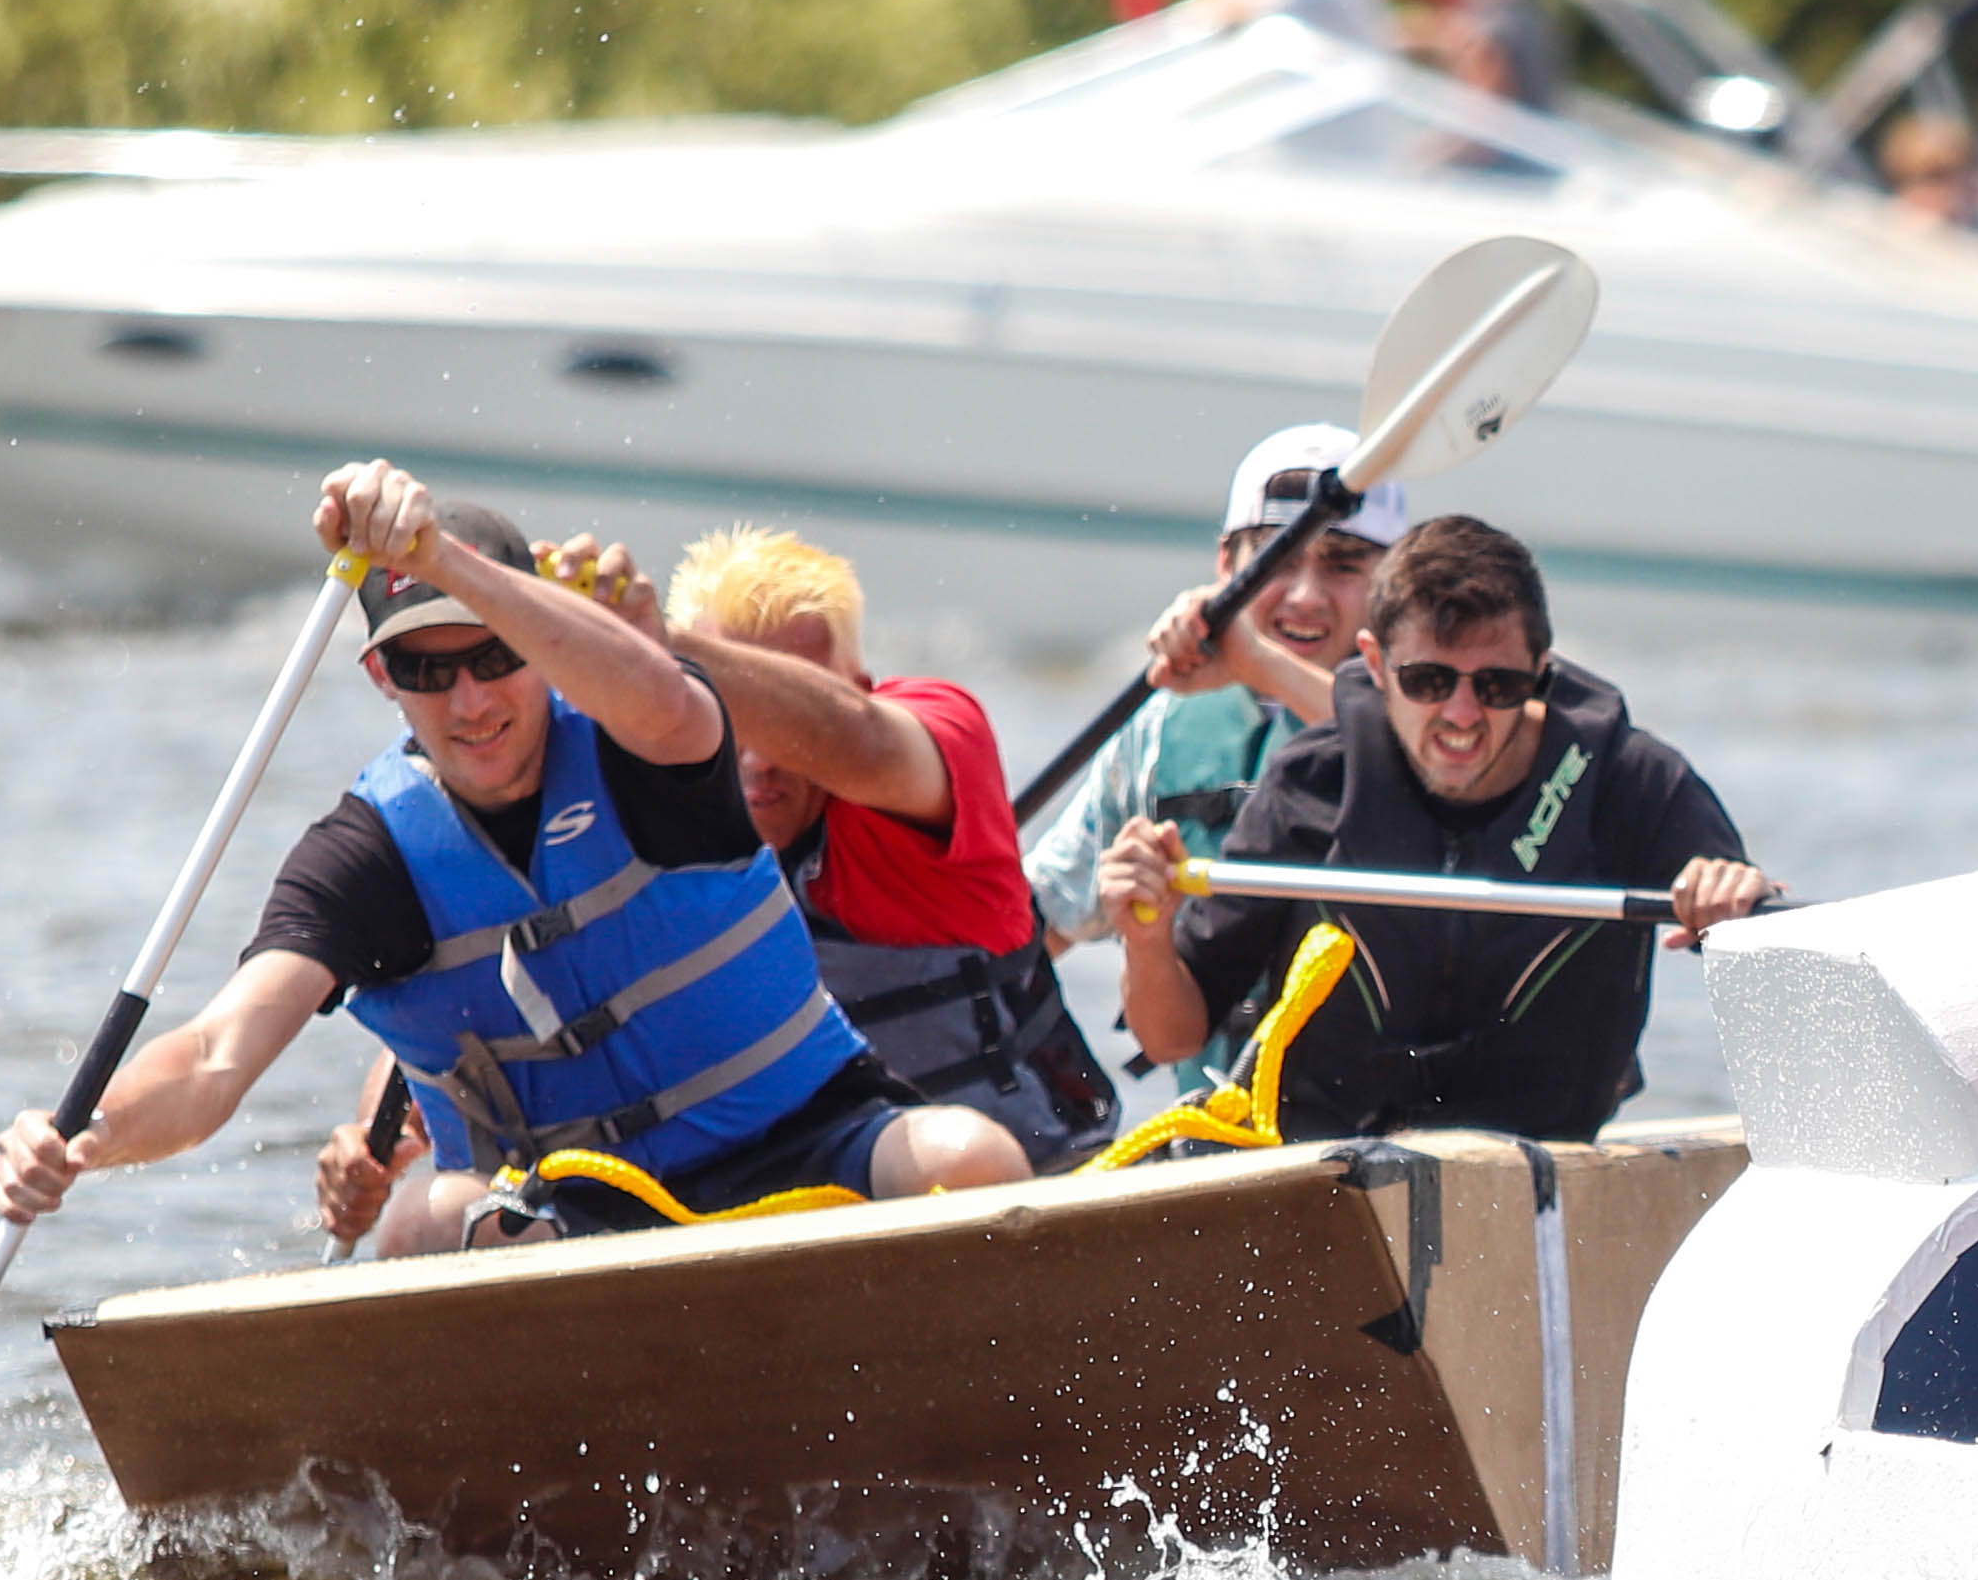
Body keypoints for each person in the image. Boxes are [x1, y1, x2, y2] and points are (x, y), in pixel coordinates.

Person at [10, 463, 1020, 1258]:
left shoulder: (640, 743)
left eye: (495, 653)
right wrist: (85, 1138)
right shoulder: (367, 854)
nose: (472, 702)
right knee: (420, 1223)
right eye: (427, 670)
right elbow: (215, 1054)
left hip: (803, 1142)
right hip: (576, 1214)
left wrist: (438, 558)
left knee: (970, 1157)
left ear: (541, 644)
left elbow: (666, 695)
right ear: (381, 677)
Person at [1093, 516, 1777, 1138]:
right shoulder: (1311, 781)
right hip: (1327, 1179)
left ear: (1541, 668)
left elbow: (1762, 935)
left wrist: (1732, 899)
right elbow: (1172, 1037)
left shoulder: (1632, 781)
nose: (1461, 715)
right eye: (1427, 680)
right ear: (1376, 662)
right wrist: (1147, 940)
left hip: (1534, 1171)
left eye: (1498, 685)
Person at [643, 524, 1114, 1170]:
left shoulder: (935, 735)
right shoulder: (639, 798)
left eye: (785, 707)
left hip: (1019, 1182)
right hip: (791, 1194)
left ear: (858, 688)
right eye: (728, 707)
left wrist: (646, 646)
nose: (759, 755)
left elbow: (854, 738)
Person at [1021, 425, 1405, 966]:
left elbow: (1415, 769)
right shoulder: (1160, 726)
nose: (1305, 596)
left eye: (1343, 566)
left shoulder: (1445, 713)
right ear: (1227, 564)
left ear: (1392, 581)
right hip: (1203, 1048)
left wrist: (1259, 664)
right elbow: (1041, 921)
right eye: (1276, 560)